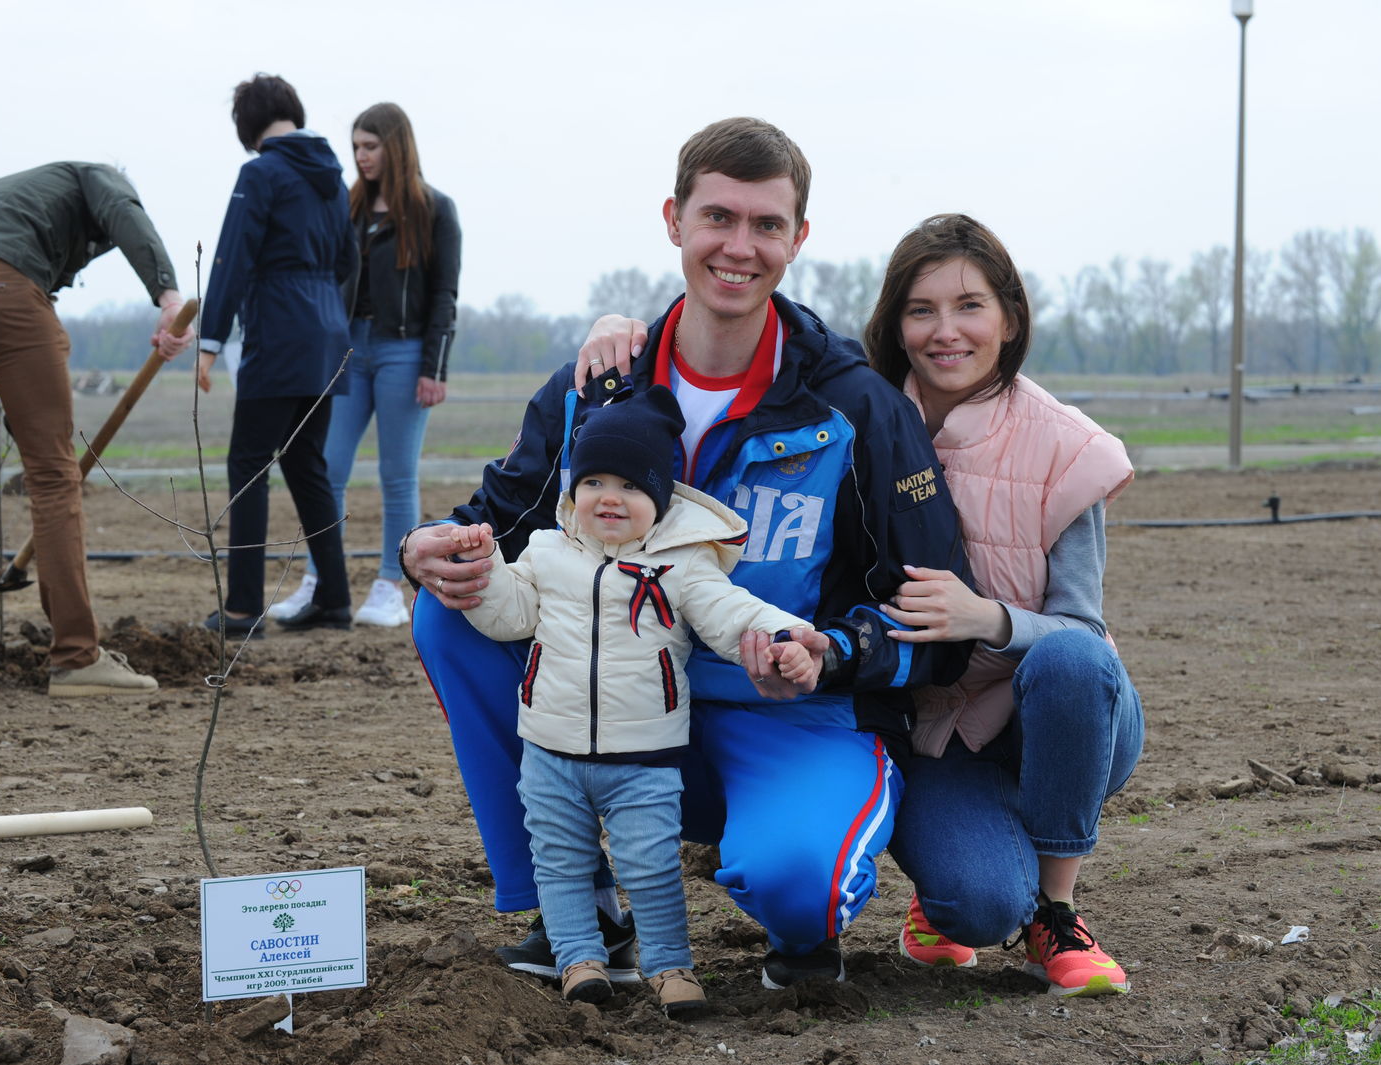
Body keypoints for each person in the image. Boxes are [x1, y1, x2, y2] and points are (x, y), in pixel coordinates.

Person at [403, 117, 973, 989]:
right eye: (718, 218)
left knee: (795, 891)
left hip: (783, 715)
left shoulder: (856, 406)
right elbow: (498, 524)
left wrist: (836, 652)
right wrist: (424, 547)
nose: (738, 246)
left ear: (798, 239)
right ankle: (579, 908)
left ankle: (791, 879)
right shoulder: (597, 387)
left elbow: (939, 620)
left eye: (766, 224)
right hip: (617, 708)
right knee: (449, 617)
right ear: (674, 220)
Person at [448, 385, 822, 1016]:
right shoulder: (546, 552)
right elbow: (509, 615)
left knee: (650, 868)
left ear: (661, 497)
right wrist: (484, 572)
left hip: (643, 758)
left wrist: (784, 636)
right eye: (593, 481)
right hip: (550, 749)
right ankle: (579, 962)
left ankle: (670, 966)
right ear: (572, 489)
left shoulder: (681, 565)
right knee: (561, 866)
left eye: (630, 485)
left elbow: (733, 614)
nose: (609, 498)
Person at [861, 214, 1143, 997]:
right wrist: (623, 334)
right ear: (894, 324)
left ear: (1009, 318)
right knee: (978, 907)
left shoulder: (1066, 445)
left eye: (970, 306)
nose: (945, 331)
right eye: (921, 309)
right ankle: (958, 883)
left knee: (1073, 657)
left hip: (1065, 711)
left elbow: (1082, 629)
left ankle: (1057, 911)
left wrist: (985, 617)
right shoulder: (859, 424)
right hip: (940, 730)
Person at [0, 161, 193, 698]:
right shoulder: (97, 176)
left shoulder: (15, 196)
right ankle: (77, 658)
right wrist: (169, 299)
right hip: (2, 281)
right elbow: (125, 214)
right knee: (55, 476)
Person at [268, 102, 461, 629]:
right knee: (326, 471)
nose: (361, 156)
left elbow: (445, 293)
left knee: (397, 476)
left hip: (405, 350)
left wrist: (434, 368)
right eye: (355, 146)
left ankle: (387, 588)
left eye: (370, 146)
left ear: (395, 147)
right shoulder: (345, 206)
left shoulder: (435, 210)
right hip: (347, 353)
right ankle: (319, 580)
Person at [196, 74, 357, 638]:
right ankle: (335, 600)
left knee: (247, 467)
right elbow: (347, 261)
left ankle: (242, 608)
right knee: (306, 465)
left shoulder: (259, 173)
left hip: (278, 332)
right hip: (326, 334)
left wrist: (210, 340)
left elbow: (231, 256)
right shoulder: (334, 178)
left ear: (248, 125)